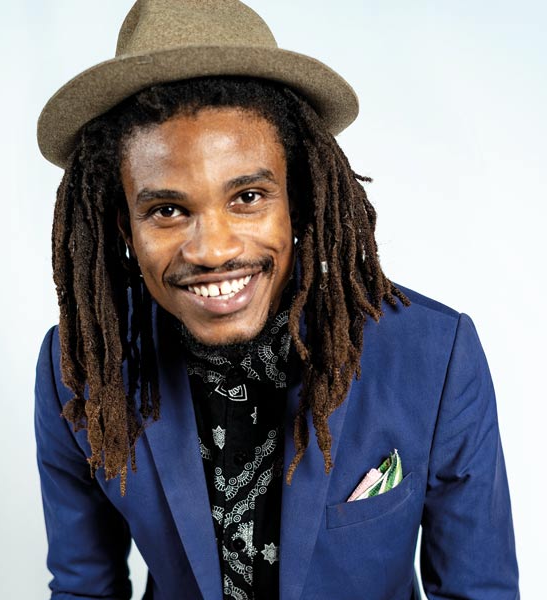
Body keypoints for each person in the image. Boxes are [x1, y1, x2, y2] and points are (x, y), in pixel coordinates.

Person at [34, 1, 519, 599]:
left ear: (299, 199)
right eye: (167, 209)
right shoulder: (79, 367)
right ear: (123, 226)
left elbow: (479, 591)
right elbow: (83, 589)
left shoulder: (434, 355)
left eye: (247, 198)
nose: (212, 249)